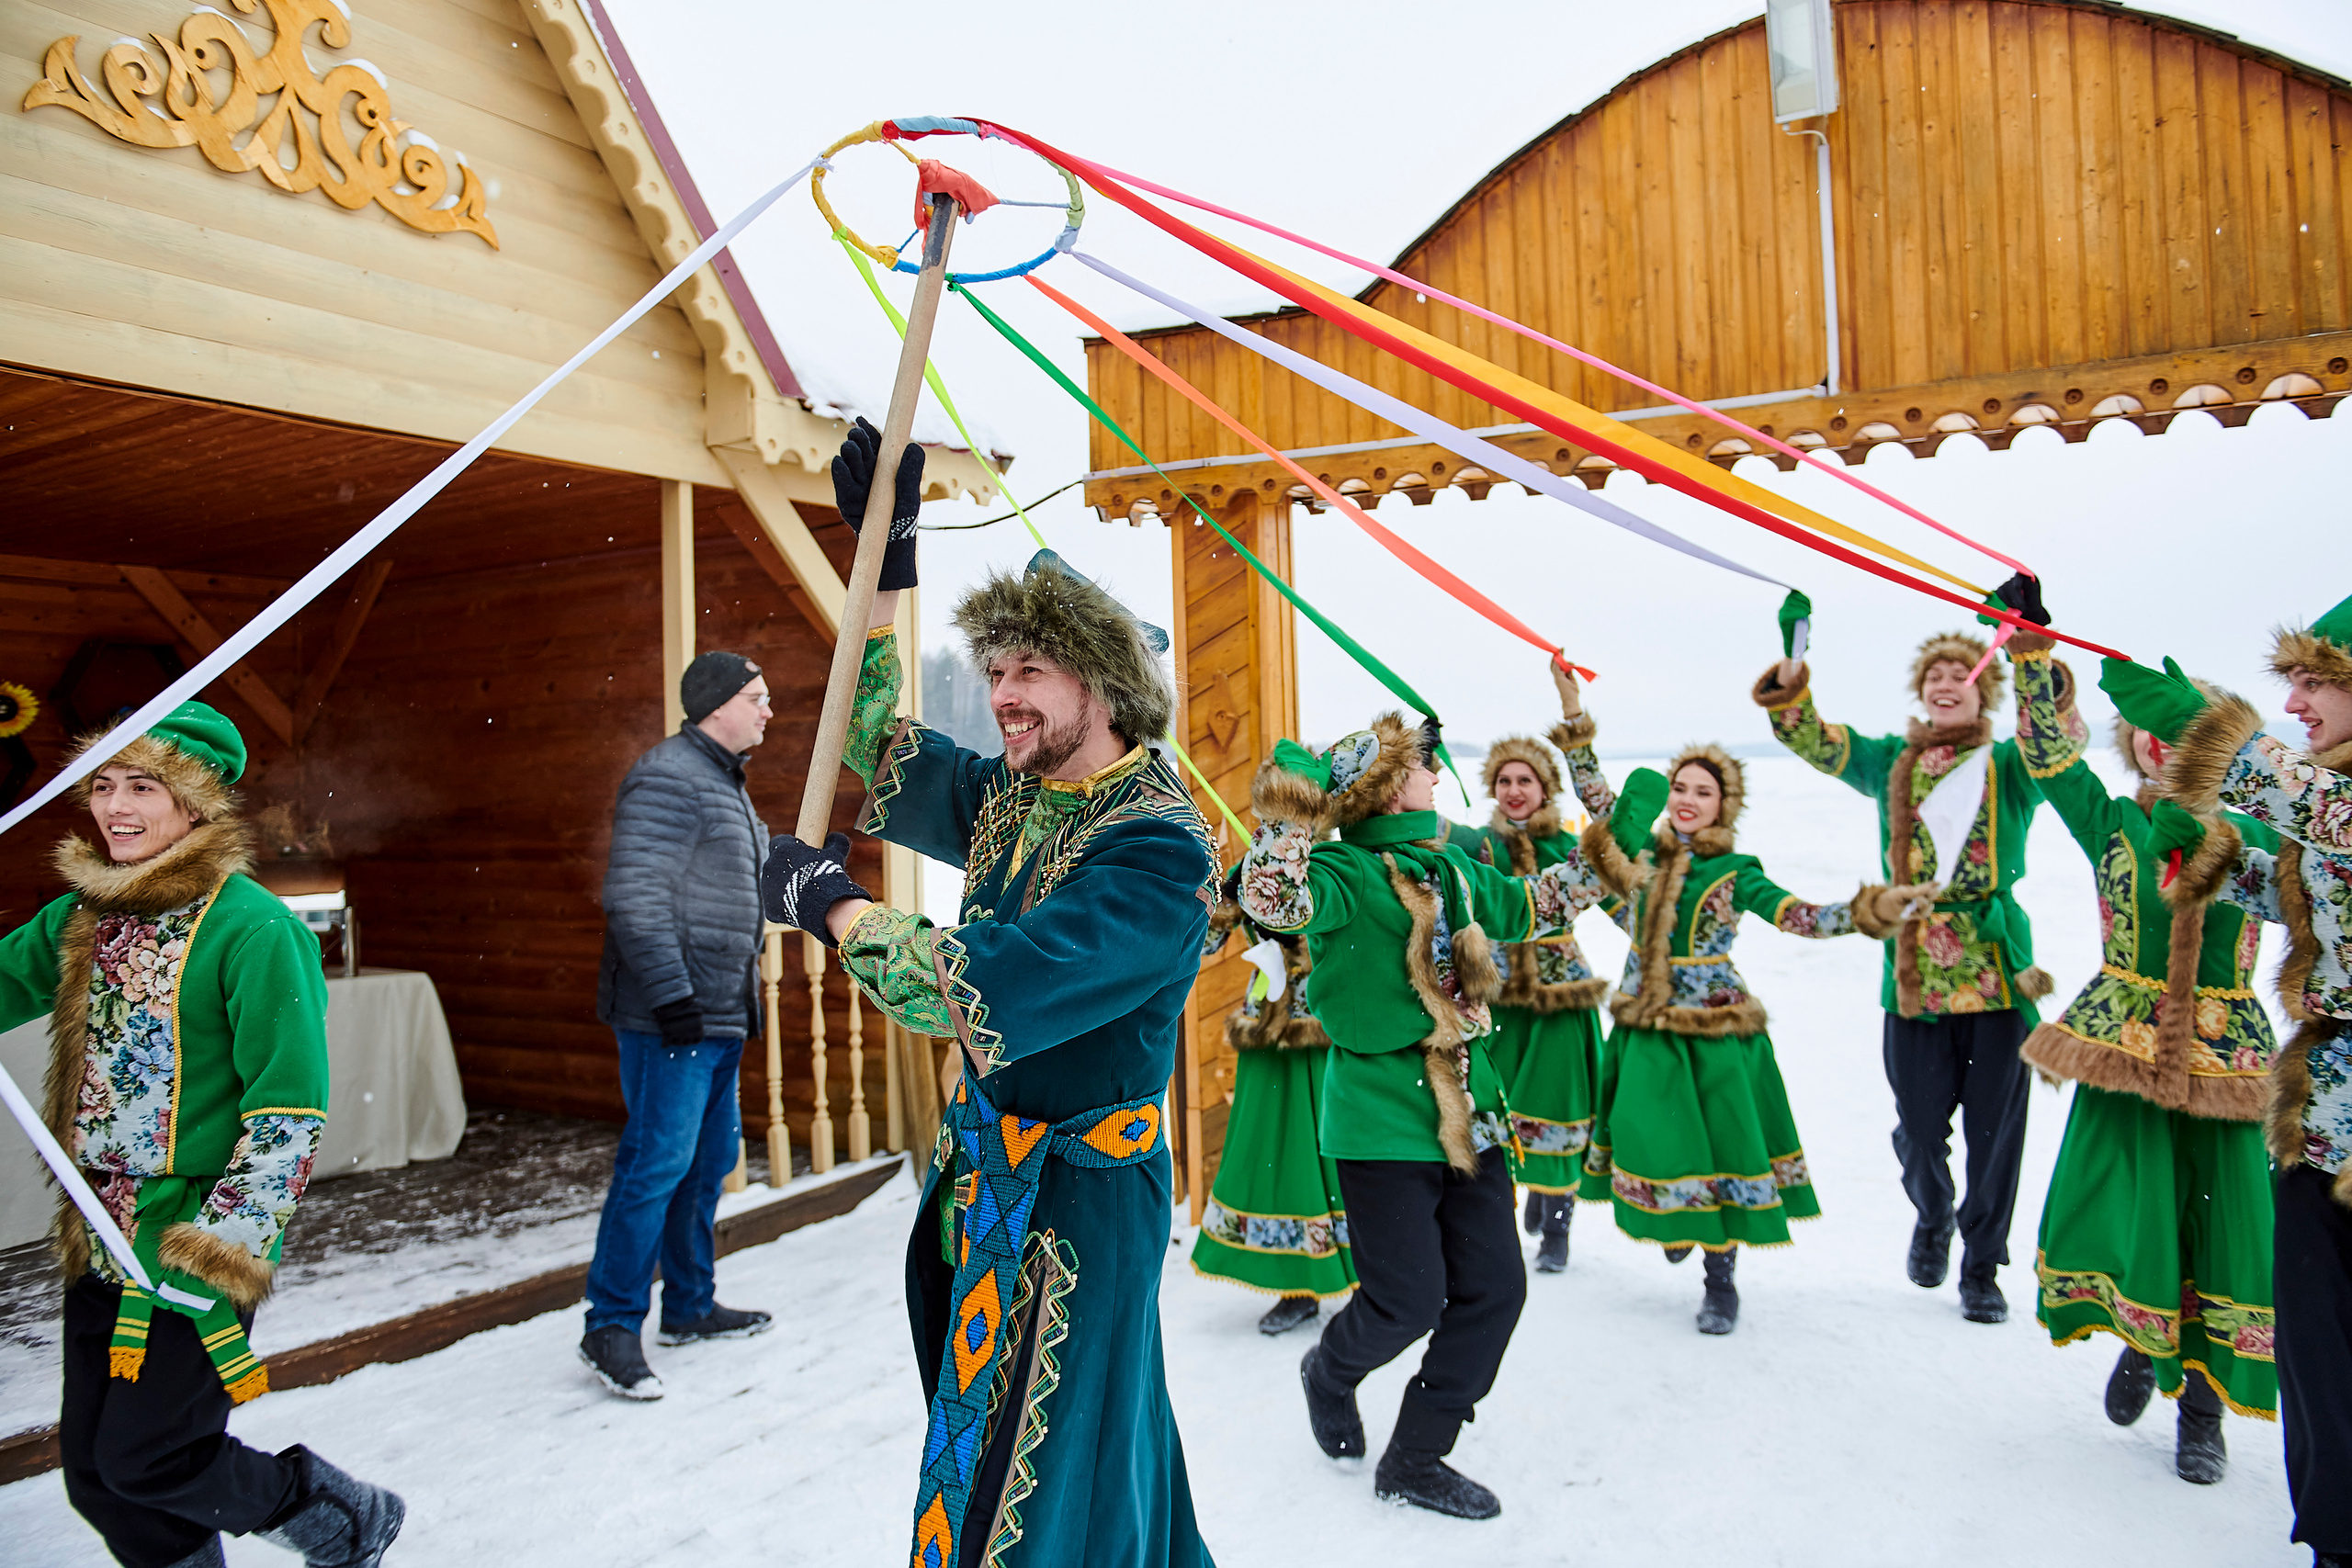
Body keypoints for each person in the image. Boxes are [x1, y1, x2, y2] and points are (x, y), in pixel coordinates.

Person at [761, 421, 1216, 1568]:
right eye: (997, 671)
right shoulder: (1020, 792)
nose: (1003, 697)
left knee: (1037, 1472)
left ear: (1103, 685)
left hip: (1082, 1203)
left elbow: (979, 992)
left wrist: (833, 905)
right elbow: (868, 733)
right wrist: (886, 559)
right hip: (987, 1178)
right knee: (1031, 1450)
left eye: (1030, 673)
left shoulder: (1158, 852)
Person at [0, 702, 403, 1568]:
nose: (115, 806)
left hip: (188, 1246)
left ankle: (336, 1510)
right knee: (98, 1476)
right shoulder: (84, 916)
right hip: (98, 1238)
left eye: (142, 785)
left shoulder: (256, 930)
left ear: (197, 799)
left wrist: (221, 1246)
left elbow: (288, 1111)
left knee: (154, 1458)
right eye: (104, 784)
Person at [1238, 709, 1601, 1519]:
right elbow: (1270, 895)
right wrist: (1295, 806)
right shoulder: (1344, 875)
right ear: (1391, 783)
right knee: (1407, 1301)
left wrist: (1614, 840)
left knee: (1496, 1291)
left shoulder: (1455, 871)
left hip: (1471, 1114)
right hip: (1378, 1118)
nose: (1439, 775)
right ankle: (1329, 1370)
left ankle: (1415, 1455)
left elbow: (1538, 902)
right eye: (1425, 765)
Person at [2107, 591, 2352, 1564]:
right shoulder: (2327, 797)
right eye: (2287, 681)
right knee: (2320, 1354)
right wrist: (2215, 858)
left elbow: (2322, 815)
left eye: (2313, 681)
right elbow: (2311, 878)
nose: (2292, 700)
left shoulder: (2330, 796)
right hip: (2318, 1116)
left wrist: (2208, 733)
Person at [2005, 615, 2278, 1485]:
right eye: (2147, 735)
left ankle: (2201, 1408)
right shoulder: (2115, 823)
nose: (2162, 746)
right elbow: (2050, 762)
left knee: (2222, 1226)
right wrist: (2032, 655)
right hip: (2126, 1050)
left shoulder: (2261, 835)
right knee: (2134, 1208)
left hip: (2227, 1064)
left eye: (2185, 733)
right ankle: (2141, 1337)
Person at [1753, 582, 2059, 1322]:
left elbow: (2053, 740)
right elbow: (1815, 741)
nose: (1947, 683)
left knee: (1995, 1137)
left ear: (1982, 689)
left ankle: (1982, 1265)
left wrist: (2032, 648)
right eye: (1934, 677)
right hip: (1915, 976)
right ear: (1922, 693)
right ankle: (1932, 1213)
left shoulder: (2009, 767)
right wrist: (1793, 677)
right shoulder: (1892, 761)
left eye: (1961, 674)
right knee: (1920, 1128)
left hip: (1997, 978)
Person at [1579, 745, 1930, 1334]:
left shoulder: (1737, 872)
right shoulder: (1638, 853)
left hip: (1715, 1034)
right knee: (1650, 1133)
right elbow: (1596, 800)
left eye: (1703, 792)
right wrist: (1575, 727)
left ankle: (1721, 1282)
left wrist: (1872, 911)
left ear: (1724, 805)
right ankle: (1678, 1221)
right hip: (1645, 1026)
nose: (1687, 800)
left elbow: (1801, 916)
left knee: (1722, 1153)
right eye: (1680, 788)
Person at [579, 649, 776, 1400]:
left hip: (720, 1012)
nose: (767, 709)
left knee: (706, 1159)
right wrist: (671, 998)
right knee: (656, 1163)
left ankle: (688, 1305)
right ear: (717, 704)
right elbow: (634, 892)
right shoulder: (668, 775)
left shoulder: (723, 782)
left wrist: (808, 869)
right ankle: (611, 1324)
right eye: (757, 697)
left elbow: (739, 884)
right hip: (674, 1016)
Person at [1444, 663, 1614, 1272]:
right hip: (1496, 1001)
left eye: (1527, 780)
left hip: (1561, 997)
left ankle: (1559, 1218)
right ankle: (1520, 1206)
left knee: (1560, 1107)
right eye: (1505, 780)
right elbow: (1422, 834)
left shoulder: (1570, 848)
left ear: (1547, 788)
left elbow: (1623, 893)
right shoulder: (1475, 845)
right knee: (1505, 1109)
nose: (1515, 790)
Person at [1190, 873, 1356, 1333]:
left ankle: (1370, 1272)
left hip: (1328, 1027)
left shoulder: (1334, 865)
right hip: (1266, 1029)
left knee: (1336, 1150)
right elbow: (1201, 943)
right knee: (1278, 1158)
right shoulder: (1250, 870)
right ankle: (1296, 1284)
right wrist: (1216, 894)